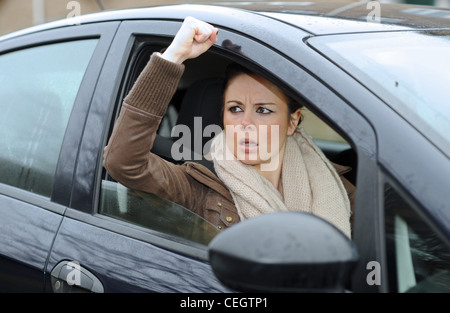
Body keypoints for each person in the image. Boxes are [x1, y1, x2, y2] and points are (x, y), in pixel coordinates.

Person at [103, 17, 356, 238]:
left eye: (263, 110)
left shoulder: (336, 185)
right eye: (235, 109)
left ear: (292, 122)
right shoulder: (200, 186)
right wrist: (174, 56)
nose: (245, 124)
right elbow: (124, 163)